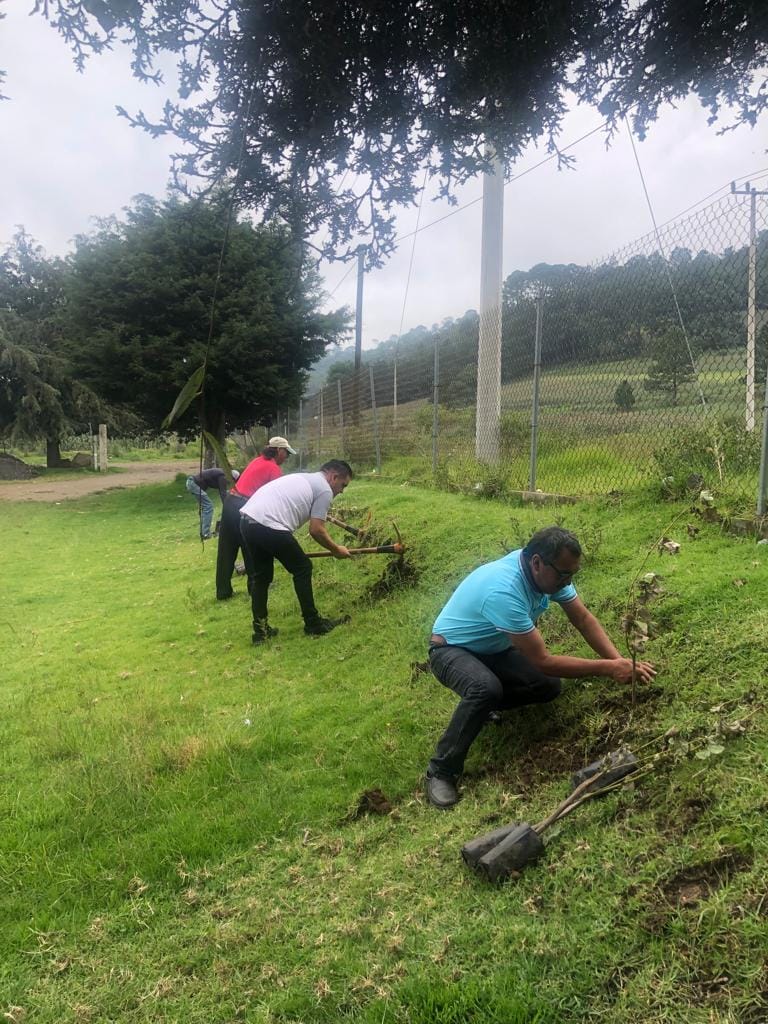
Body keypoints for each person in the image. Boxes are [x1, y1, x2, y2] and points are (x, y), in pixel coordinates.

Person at [424, 526, 656, 809]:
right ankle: (441, 770)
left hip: (494, 648)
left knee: (547, 686)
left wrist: (620, 662)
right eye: (563, 574)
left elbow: (582, 619)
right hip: (451, 650)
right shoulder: (504, 590)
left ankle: (481, 707)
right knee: (484, 688)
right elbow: (543, 660)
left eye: (573, 574)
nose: (568, 581)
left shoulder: (550, 573)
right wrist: (607, 668)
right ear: (536, 563)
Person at [239, 459, 354, 643]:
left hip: (247, 520)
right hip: (268, 523)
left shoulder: (307, 478)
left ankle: (260, 632)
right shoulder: (324, 489)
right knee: (302, 568)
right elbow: (316, 529)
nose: (341, 490)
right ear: (334, 477)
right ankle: (313, 624)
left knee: (261, 577)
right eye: (343, 485)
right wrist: (336, 549)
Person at [216, 436, 297, 600]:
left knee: (227, 548)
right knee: (251, 548)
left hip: (231, 501)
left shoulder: (258, 460)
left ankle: (223, 592)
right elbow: (277, 497)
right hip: (243, 506)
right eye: (286, 454)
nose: (287, 458)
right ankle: (255, 587)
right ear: (279, 451)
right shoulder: (273, 469)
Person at [185, 467, 237, 540]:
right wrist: (227, 508)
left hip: (191, 483)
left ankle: (204, 532)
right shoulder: (222, 476)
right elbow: (223, 494)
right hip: (193, 483)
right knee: (208, 506)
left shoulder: (221, 474)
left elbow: (223, 491)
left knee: (206, 507)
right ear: (231, 477)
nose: (231, 482)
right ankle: (205, 534)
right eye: (233, 481)